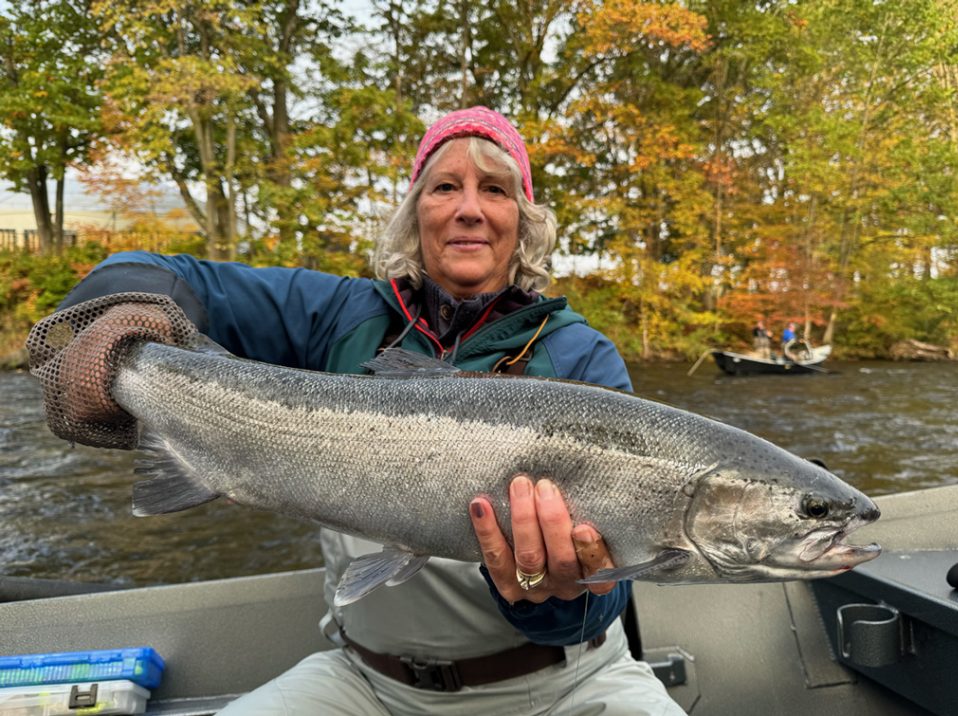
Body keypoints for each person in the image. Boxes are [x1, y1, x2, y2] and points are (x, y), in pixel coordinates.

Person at [40, 107, 684, 715]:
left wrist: (555, 596)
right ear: (414, 212)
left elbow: (603, 603)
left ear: (522, 219)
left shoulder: (580, 356)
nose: (469, 208)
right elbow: (154, 270)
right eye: (445, 187)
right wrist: (131, 314)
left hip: (565, 684)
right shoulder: (341, 315)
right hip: (366, 684)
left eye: (494, 189)